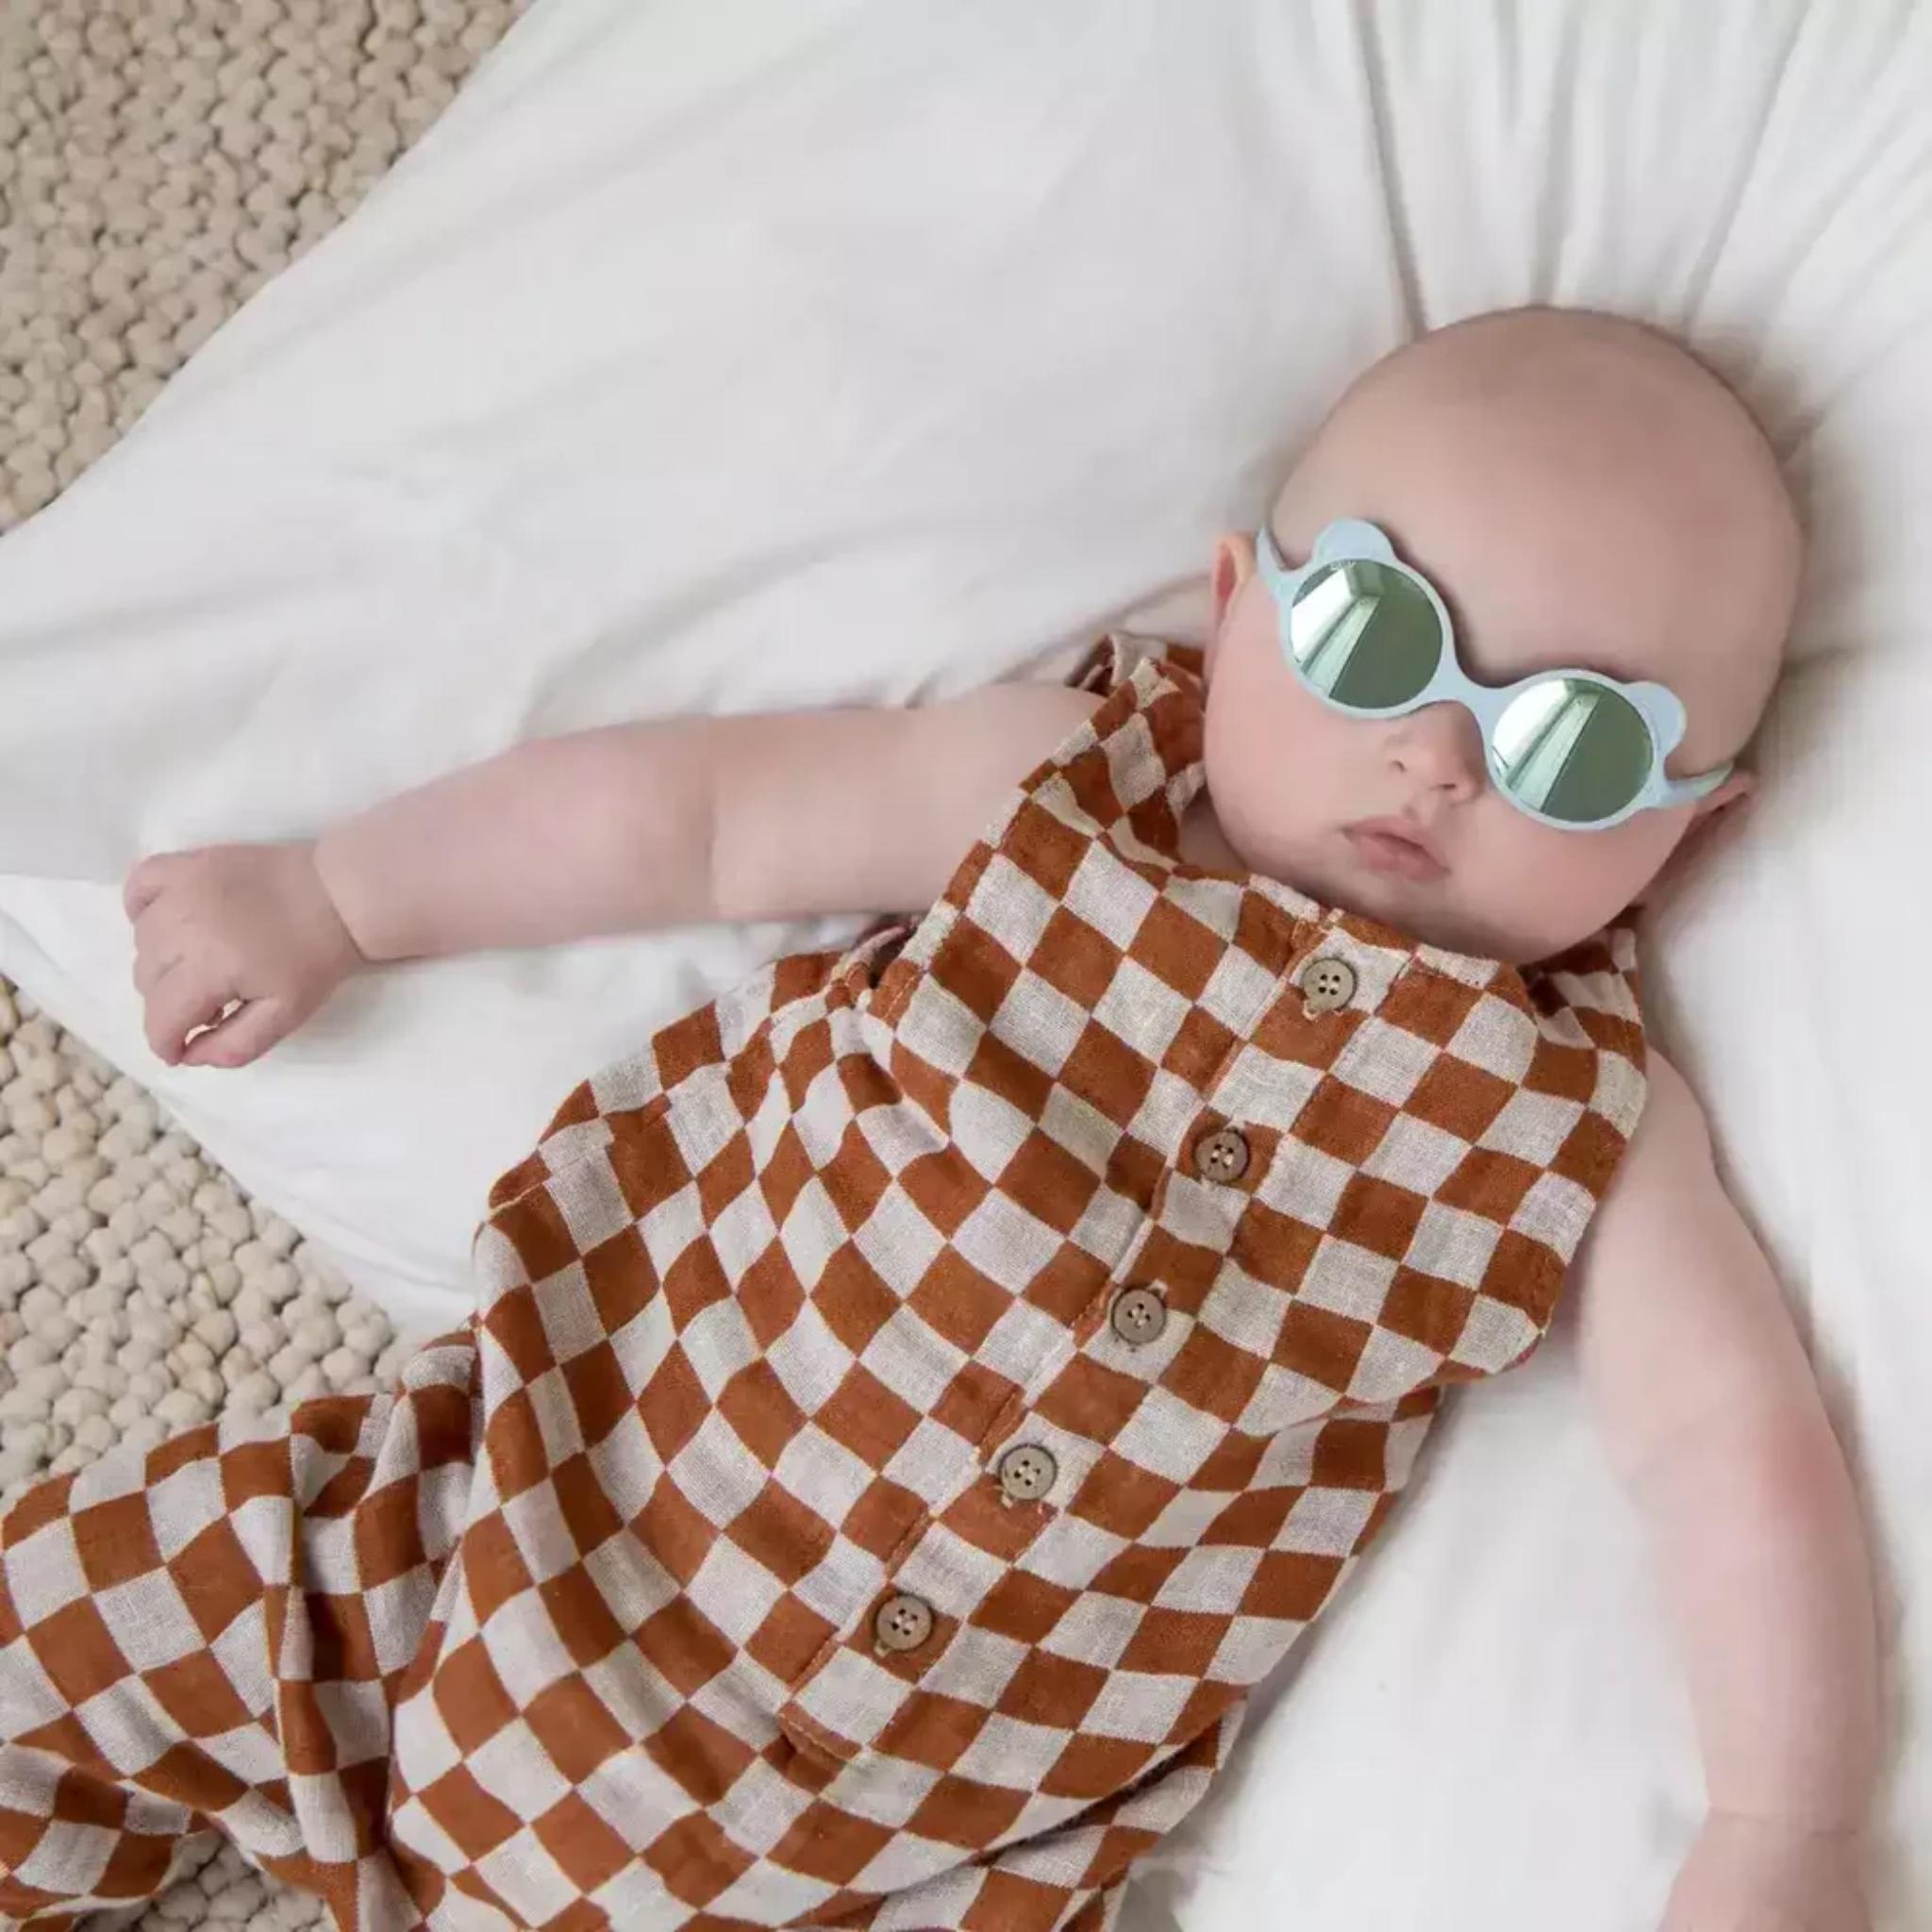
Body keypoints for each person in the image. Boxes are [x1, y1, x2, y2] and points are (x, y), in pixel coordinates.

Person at [0, 308, 1878, 1931]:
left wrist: (1782, 1829)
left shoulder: (1573, 1122)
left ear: (1694, 825)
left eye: (1575, 743)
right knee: (65, 1631)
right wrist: (338, 895)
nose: (1438, 755)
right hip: (480, 1542)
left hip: (900, 1852)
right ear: (1241, 609)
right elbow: (703, 819)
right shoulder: (1059, 792)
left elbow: (1732, 1449)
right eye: (1379, 634)